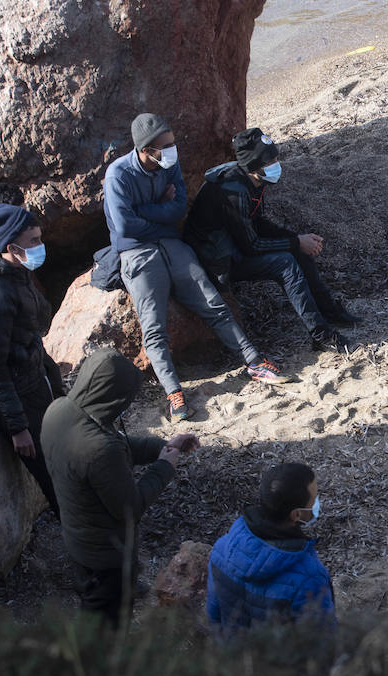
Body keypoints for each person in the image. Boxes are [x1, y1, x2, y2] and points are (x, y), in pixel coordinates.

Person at [102, 112, 287, 423]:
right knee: (154, 326)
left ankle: (254, 361)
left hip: (171, 244)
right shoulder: (117, 175)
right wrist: (158, 210)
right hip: (136, 253)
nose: (173, 150)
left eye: (173, 143)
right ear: (145, 149)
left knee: (211, 300)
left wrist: (147, 213)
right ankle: (173, 391)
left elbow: (176, 210)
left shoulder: (169, 164)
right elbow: (123, 226)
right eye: (165, 146)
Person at [41, 347, 199, 625]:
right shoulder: (99, 449)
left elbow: (116, 446)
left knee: (93, 598)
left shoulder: (60, 410)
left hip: (78, 539)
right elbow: (130, 509)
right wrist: (164, 467)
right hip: (106, 555)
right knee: (104, 625)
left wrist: (162, 447)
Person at [184, 128, 359, 353]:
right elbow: (252, 245)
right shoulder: (232, 192)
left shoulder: (252, 180)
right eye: (270, 161)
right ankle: (321, 336)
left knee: (297, 251)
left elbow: (257, 223)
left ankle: (330, 312)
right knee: (285, 263)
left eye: (275, 158)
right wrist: (296, 242)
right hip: (219, 261)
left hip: (234, 245)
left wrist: (296, 239)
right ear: (253, 165)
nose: (276, 165)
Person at [0, 203, 64, 514]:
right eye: (34, 241)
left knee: (64, 458)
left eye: (39, 238)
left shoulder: (15, 272)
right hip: (18, 396)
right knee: (54, 478)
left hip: (34, 380)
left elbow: (26, 334)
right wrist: (17, 426)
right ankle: (84, 541)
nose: (40, 246)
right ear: (11, 247)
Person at [207, 462, 336, 629]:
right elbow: (323, 644)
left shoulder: (221, 550)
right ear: (296, 514)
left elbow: (214, 616)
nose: (317, 502)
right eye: (314, 499)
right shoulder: (309, 578)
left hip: (233, 652)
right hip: (277, 655)